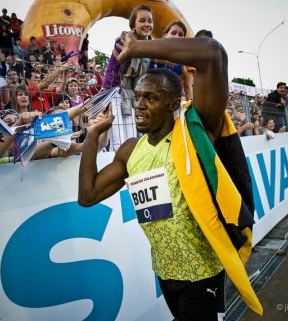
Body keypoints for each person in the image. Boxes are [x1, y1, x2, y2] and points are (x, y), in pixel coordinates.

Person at [78, 35, 262, 319]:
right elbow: (87, 196)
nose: (139, 104)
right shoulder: (130, 151)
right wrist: (92, 137)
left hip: (202, 275)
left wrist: (137, 47)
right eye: (138, 96)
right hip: (164, 273)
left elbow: (212, 53)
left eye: (150, 98)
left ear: (173, 104)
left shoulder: (194, 135)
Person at [103, 5, 153, 151]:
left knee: (134, 139)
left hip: (133, 96)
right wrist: (106, 100)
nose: (147, 24)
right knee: (119, 141)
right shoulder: (124, 40)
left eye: (150, 21)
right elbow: (115, 69)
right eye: (142, 21)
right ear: (133, 25)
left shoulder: (149, 47)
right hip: (115, 93)